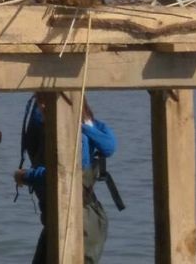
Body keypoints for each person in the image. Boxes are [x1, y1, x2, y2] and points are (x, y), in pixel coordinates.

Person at [14, 93, 117, 264]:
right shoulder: (48, 123)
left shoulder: (81, 135)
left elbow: (67, 175)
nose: (43, 107)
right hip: (58, 218)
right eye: (41, 103)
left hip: (80, 219)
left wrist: (26, 176)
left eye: (46, 102)